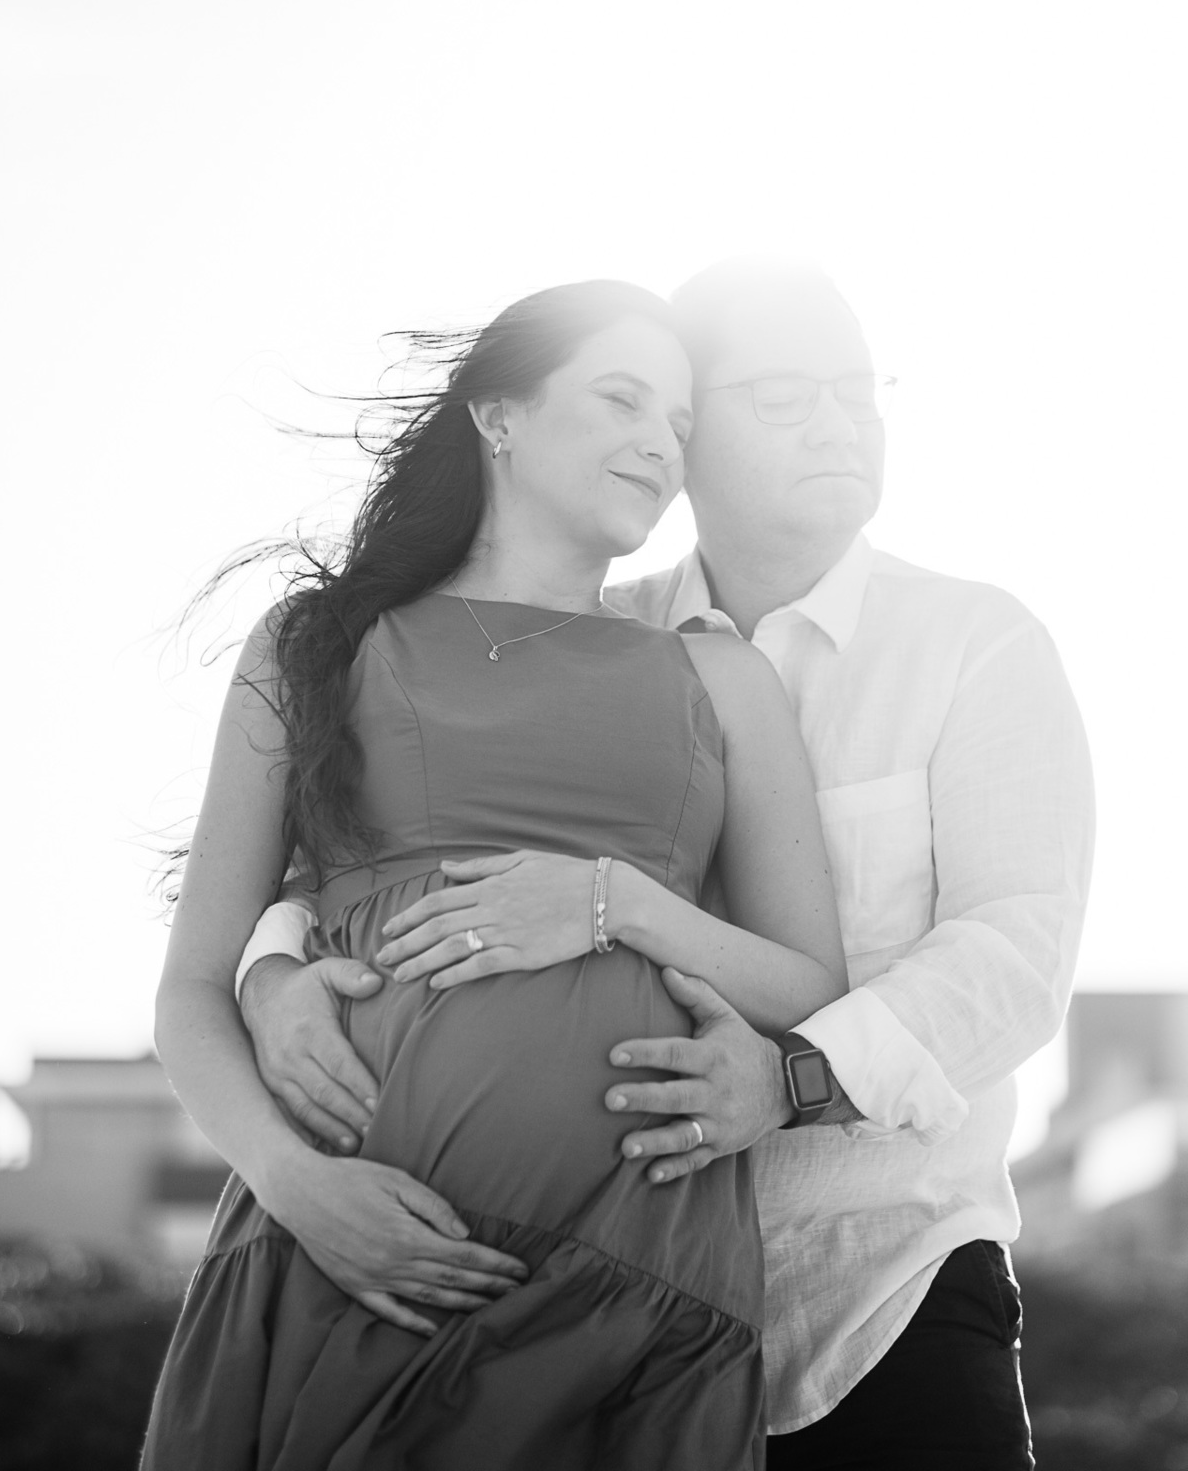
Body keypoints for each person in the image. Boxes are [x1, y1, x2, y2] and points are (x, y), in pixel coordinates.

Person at [240, 264, 1094, 1468]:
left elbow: (1014, 962)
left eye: (859, 390)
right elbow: (380, 839)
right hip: (600, 1307)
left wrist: (788, 1083)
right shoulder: (588, 633)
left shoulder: (978, 645)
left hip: (886, 1292)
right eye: (787, 393)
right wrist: (273, 976)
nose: (839, 420)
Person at [142, 279, 848, 1471]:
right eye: (622, 398)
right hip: (351, 1257)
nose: (659, 444)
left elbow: (808, 978)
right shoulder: (318, 645)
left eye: (679, 423)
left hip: (638, 1282)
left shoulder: (720, 682)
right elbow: (190, 993)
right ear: (499, 416)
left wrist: (615, 904)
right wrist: (298, 1186)